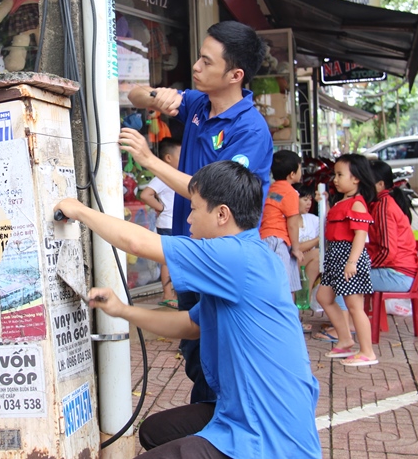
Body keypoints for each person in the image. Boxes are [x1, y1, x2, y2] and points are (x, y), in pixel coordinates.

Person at [55, 161, 320, 459]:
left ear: (222, 214)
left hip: (269, 435)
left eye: (194, 209)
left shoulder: (236, 257)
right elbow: (191, 326)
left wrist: (77, 209)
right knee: (154, 431)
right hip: (240, 414)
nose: (189, 219)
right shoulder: (246, 255)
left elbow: (136, 242)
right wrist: (122, 311)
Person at [124, 20, 273, 403]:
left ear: (235, 74)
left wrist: (149, 161)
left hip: (223, 259)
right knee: (197, 350)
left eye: (207, 62)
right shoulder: (196, 104)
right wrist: (156, 97)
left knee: (218, 357)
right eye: (199, 57)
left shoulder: (250, 130)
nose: (196, 66)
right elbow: (135, 94)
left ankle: (224, 431)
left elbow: (209, 191)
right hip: (192, 250)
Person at [316, 154, 378, 366]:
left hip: (348, 258)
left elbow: (360, 235)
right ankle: (344, 340)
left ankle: (367, 351)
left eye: (340, 174)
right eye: (335, 174)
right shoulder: (343, 201)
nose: (335, 178)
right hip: (336, 257)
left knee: (355, 307)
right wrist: (323, 202)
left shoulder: (358, 204)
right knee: (324, 297)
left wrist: (351, 262)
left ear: (356, 179)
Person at [139, 138, 182, 308]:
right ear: (168, 158)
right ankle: (168, 294)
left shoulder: (176, 176)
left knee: (174, 260)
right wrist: (161, 208)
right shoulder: (163, 177)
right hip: (168, 223)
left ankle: (173, 293)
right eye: (180, 154)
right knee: (168, 261)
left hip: (174, 222)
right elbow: (145, 194)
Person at [259, 150, 304, 305]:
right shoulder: (290, 192)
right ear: (292, 174)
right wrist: (296, 248)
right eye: (300, 168)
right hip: (279, 242)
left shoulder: (270, 189)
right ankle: (287, 324)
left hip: (264, 239)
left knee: (272, 286)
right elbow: (292, 223)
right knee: (285, 287)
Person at [366, 159, 418, 292]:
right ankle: (349, 313)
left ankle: (348, 314)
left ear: (380, 184)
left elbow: (387, 251)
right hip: (397, 271)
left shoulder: (384, 207)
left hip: (398, 274)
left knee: (341, 279)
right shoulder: (381, 203)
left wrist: (365, 265)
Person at [292, 183, 321, 295]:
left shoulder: (311, 219)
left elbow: (327, 225)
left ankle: (305, 296)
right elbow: (295, 247)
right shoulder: (287, 220)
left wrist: (324, 202)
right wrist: (317, 240)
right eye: (305, 199)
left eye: (310, 199)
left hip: (306, 263)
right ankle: (304, 297)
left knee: (318, 258)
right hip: (292, 263)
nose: (309, 203)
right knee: (318, 253)